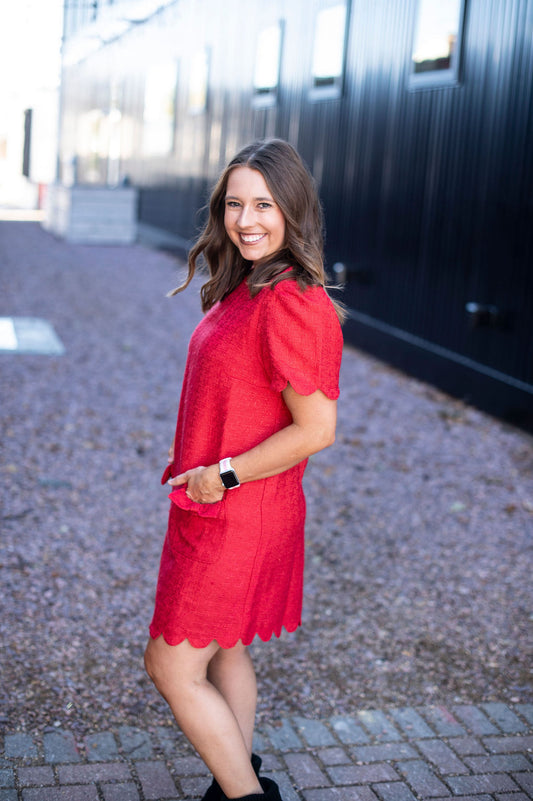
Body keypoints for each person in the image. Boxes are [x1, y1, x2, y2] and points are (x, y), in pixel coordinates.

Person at [144, 138, 344, 801]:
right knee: (226, 646)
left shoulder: (292, 300)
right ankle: (235, 780)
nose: (246, 219)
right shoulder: (247, 285)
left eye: (264, 204)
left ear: (293, 209)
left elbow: (316, 429)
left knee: (171, 665)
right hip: (214, 507)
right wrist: (198, 460)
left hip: (238, 513)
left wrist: (219, 473)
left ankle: (246, 797)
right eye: (234, 204)